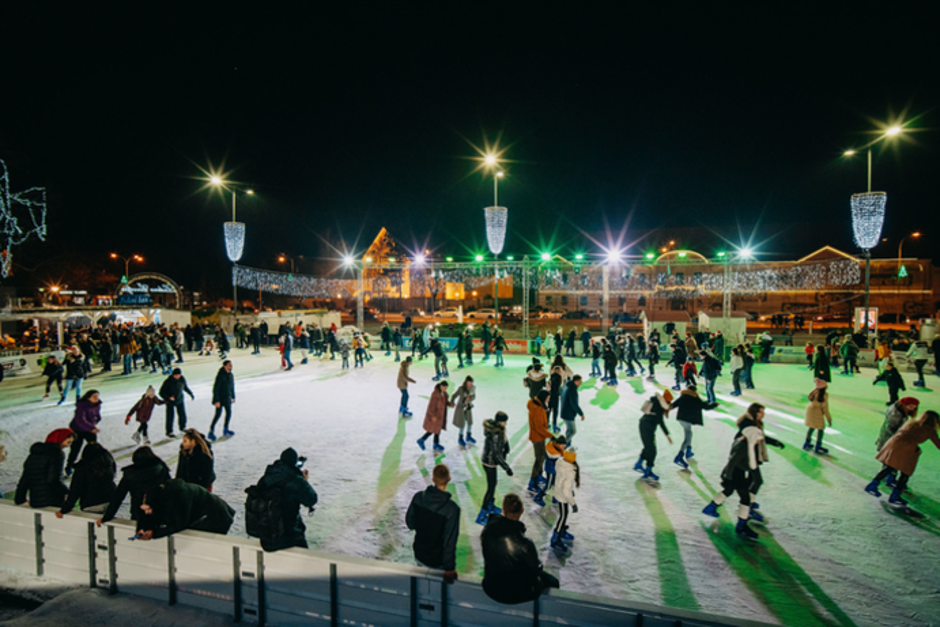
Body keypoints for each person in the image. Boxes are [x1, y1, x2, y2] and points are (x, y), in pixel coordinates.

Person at [701, 403, 781, 539]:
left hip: (739, 472)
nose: (760, 440)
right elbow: (733, 461)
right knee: (745, 497)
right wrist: (727, 477)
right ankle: (741, 526)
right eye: (761, 412)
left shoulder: (747, 440)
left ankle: (713, 508)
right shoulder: (744, 445)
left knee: (732, 491)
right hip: (737, 473)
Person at [480, 493, 559, 605]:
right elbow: (536, 570)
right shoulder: (525, 544)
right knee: (553, 582)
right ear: (522, 511)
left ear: (503, 510)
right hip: (516, 594)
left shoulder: (487, 530)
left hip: (490, 587)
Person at [865, 410, 940, 505]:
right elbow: (938, 444)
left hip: (894, 443)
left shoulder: (911, 423)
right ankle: (895, 495)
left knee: (890, 467)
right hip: (907, 448)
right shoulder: (929, 429)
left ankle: (873, 484)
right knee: (905, 473)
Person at [253, 447, 319, 551]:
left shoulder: (266, 477)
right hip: (289, 538)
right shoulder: (295, 480)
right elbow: (312, 499)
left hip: (267, 538)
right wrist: (304, 480)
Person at [406, 463, 460, 583]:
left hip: (420, 553)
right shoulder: (452, 509)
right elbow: (449, 541)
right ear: (449, 479)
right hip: (438, 560)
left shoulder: (418, 498)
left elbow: (410, 523)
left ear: (433, 479)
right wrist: (450, 568)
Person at [134, 478, 235, 540]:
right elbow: (146, 513)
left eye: (148, 509)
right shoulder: (155, 497)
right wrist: (142, 527)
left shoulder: (177, 498)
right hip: (203, 512)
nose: (146, 512)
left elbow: (178, 524)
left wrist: (154, 533)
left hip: (216, 517)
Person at [15, 429, 75, 508]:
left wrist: (20, 499)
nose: (68, 445)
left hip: (35, 501)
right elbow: (53, 479)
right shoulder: (57, 454)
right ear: (60, 439)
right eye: (68, 442)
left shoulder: (33, 455)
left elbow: (25, 479)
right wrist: (66, 492)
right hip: (53, 500)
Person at [57, 443, 116, 517]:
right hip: (110, 499)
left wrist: (64, 509)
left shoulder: (82, 469)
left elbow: (75, 490)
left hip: (92, 502)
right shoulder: (108, 463)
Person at [477, 411, 513, 524]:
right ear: (499, 421)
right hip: (490, 462)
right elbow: (496, 454)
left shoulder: (497, 430)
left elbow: (502, 444)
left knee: (493, 484)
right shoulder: (496, 433)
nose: (506, 423)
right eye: (504, 421)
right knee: (491, 487)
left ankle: (490, 506)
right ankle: (482, 515)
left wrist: (506, 446)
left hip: (488, 460)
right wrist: (506, 468)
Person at [671, 384, 717, 468]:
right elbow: (705, 407)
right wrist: (715, 404)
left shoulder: (683, 396)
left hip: (681, 419)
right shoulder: (695, 398)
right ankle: (679, 456)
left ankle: (689, 450)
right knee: (687, 437)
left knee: (689, 434)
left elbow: (673, 405)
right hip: (688, 420)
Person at [634, 389, 674, 480]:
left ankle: (639, 464)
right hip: (647, 428)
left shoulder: (655, 402)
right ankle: (648, 470)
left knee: (648, 447)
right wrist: (667, 435)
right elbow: (660, 421)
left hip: (643, 425)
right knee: (652, 450)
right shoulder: (659, 407)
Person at [550, 437, 579, 552]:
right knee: (563, 516)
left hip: (558, 491)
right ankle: (556, 537)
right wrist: (573, 503)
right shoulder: (570, 471)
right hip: (563, 496)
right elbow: (567, 491)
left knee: (564, 514)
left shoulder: (560, 462)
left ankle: (561, 530)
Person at [66, 389, 103, 475]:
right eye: (94, 396)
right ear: (88, 397)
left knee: (93, 446)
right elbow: (80, 420)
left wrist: (98, 418)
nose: (96, 398)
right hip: (78, 429)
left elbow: (97, 413)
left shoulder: (97, 404)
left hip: (89, 428)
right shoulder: (82, 406)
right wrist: (91, 428)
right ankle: (69, 466)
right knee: (76, 448)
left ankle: (93, 464)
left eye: (97, 396)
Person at [526, 389, 553, 496]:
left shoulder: (538, 406)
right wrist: (551, 436)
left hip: (539, 437)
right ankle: (532, 482)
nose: (549, 399)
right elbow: (539, 427)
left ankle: (538, 477)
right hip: (537, 438)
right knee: (539, 459)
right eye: (547, 397)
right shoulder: (537, 409)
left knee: (541, 458)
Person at [159, 368, 195, 438]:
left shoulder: (182, 379)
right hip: (170, 402)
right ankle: (169, 431)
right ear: (173, 375)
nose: (177, 376)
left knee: (182, 414)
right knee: (170, 416)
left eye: (178, 375)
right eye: (176, 375)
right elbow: (161, 392)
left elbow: (185, 387)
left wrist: (191, 393)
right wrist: (168, 397)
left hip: (180, 400)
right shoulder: (168, 381)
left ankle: (182, 427)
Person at [418, 381, 452, 452]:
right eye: (444, 388)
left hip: (439, 416)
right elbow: (431, 406)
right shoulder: (435, 394)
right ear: (441, 386)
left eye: (446, 388)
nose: (445, 389)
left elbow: (445, 402)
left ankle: (435, 444)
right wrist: (432, 416)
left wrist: (449, 404)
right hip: (435, 416)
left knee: (437, 430)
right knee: (431, 430)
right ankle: (421, 440)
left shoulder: (443, 393)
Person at [803, 378, 833, 454]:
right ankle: (818, 446)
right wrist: (829, 420)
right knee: (820, 429)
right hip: (818, 413)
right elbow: (825, 409)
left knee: (811, 427)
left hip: (810, 412)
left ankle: (806, 443)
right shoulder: (824, 395)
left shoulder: (814, 393)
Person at [209, 360, 236, 441]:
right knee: (217, 415)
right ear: (224, 366)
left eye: (231, 365)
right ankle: (211, 431)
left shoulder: (230, 375)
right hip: (220, 399)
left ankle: (225, 429)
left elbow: (232, 386)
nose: (231, 367)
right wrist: (216, 400)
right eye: (229, 365)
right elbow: (216, 388)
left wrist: (233, 396)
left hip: (227, 398)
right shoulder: (220, 375)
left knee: (229, 413)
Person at [559, 375, 586, 443]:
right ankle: (564, 444)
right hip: (568, 413)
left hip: (565, 412)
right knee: (573, 431)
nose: (580, 383)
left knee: (569, 430)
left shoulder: (568, 386)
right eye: (579, 381)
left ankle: (567, 443)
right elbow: (573, 404)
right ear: (575, 381)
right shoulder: (572, 390)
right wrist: (581, 413)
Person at [451, 376, 476, 447]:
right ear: (466, 383)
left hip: (468, 407)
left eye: (471, 384)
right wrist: (452, 402)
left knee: (470, 422)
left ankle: (468, 436)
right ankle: (460, 438)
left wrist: (470, 398)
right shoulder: (461, 389)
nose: (470, 385)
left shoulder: (472, 389)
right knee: (462, 423)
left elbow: (474, 396)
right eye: (468, 384)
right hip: (461, 408)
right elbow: (454, 395)